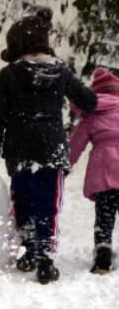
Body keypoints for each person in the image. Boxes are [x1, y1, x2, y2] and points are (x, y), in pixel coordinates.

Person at [0, 8, 97, 284]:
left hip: (19, 150)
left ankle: (29, 251)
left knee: (23, 201)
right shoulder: (61, 73)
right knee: (48, 204)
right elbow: (89, 101)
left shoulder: (9, 75)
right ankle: (45, 258)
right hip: (51, 149)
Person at [69, 67, 119, 275]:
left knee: (105, 216)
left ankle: (102, 257)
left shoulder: (91, 115)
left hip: (104, 168)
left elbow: (76, 144)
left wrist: (65, 165)